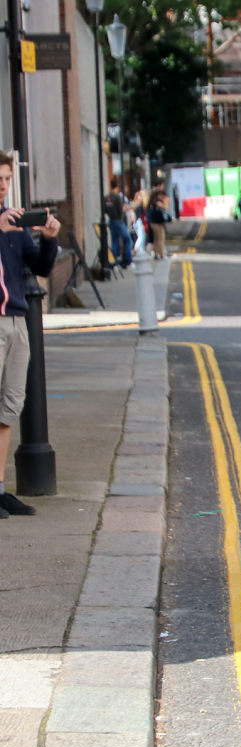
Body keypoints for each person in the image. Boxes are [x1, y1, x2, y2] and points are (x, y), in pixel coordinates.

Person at [0, 150, 60, 518]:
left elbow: (38, 265)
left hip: (17, 321)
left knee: (8, 409)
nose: (3, 186)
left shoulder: (16, 224)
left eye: (6, 179)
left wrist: (50, 239)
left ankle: (0, 490)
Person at [105, 176, 131, 269]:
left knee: (114, 242)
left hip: (111, 220)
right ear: (117, 186)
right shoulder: (117, 197)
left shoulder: (107, 197)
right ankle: (129, 260)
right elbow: (121, 210)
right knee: (128, 240)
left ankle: (114, 263)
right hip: (119, 221)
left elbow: (105, 210)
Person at [148, 190, 172, 258]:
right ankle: (161, 254)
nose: (164, 198)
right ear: (159, 196)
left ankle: (156, 253)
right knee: (160, 238)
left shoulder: (153, 202)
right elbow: (166, 208)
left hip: (155, 222)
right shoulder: (157, 202)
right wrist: (166, 203)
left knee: (157, 238)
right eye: (163, 196)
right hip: (157, 223)